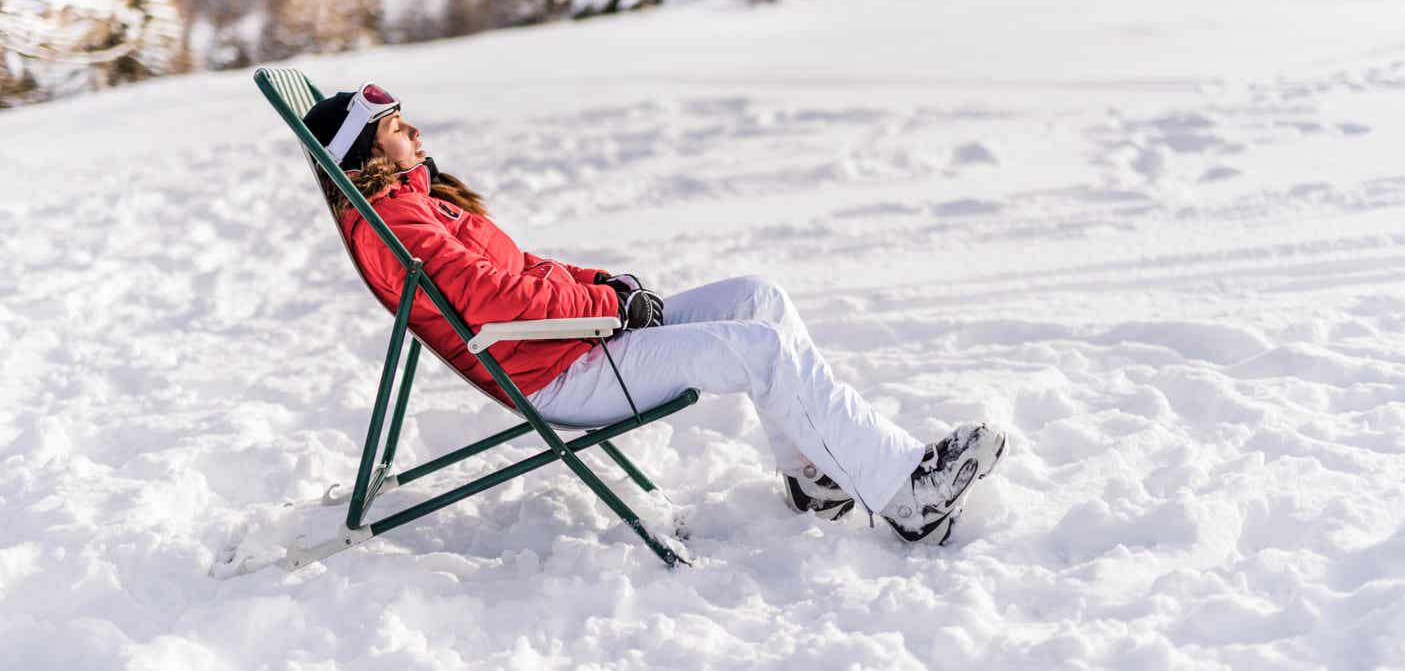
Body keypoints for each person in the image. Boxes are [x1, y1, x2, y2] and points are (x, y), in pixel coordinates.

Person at [302, 82, 1007, 545]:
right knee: (759, 350)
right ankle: (904, 491)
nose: (416, 130)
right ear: (367, 152)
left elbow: (523, 270)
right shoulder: (396, 221)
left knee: (758, 296)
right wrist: (607, 304)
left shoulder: (420, 203)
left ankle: (817, 475)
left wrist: (604, 283)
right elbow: (496, 300)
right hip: (558, 368)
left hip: (568, 339)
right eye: (396, 126)